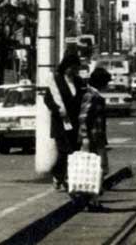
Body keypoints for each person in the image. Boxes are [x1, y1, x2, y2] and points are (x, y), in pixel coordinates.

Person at [44, 53, 85, 190]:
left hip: (75, 123)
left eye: (76, 68)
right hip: (60, 123)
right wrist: (58, 111)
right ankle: (58, 175)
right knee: (64, 151)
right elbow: (48, 100)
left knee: (74, 151)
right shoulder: (56, 81)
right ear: (66, 66)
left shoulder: (79, 81)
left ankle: (67, 177)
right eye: (72, 68)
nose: (73, 71)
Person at [79, 67, 112, 209]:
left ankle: (93, 200)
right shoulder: (92, 96)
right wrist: (85, 137)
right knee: (96, 169)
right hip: (92, 138)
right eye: (106, 83)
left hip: (97, 138)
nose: (108, 86)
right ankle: (91, 201)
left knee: (99, 169)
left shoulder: (94, 95)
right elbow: (83, 117)